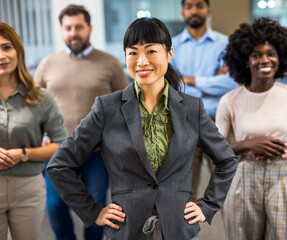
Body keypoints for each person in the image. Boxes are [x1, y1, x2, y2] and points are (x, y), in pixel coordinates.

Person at [46, 17, 238, 240]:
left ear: (169, 53)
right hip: (126, 230)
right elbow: (59, 165)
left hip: (179, 230)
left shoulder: (192, 108)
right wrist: (93, 211)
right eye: (133, 52)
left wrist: (207, 206)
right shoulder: (106, 108)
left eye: (151, 51)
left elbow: (227, 160)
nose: (141, 61)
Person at [216, 17, 287, 240]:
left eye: (270, 53)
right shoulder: (230, 100)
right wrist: (247, 144)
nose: (265, 60)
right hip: (244, 175)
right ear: (245, 61)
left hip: (282, 175)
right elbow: (215, 149)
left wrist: (284, 145)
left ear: (279, 56)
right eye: (257, 55)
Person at [34, 4, 129, 240]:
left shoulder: (110, 63)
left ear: (90, 28)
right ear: (62, 30)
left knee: (96, 209)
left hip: (96, 152)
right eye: (68, 28)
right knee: (55, 207)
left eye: (78, 27)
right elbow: (34, 105)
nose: (73, 33)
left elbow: (127, 106)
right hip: (58, 151)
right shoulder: (47, 64)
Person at [0, 22, 67, 240]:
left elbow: (60, 143)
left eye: (7, 47)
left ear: (18, 50)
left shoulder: (41, 97)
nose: (2, 55)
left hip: (27, 188)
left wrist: (24, 154)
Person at [171, 0, 238, 201]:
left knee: (230, 191)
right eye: (189, 6)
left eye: (199, 5)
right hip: (182, 121)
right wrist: (211, 85)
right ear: (183, 11)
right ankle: (187, 233)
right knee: (184, 193)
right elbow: (169, 86)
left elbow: (232, 83)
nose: (194, 10)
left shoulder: (226, 44)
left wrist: (190, 80)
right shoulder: (170, 46)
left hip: (219, 121)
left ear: (208, 9)